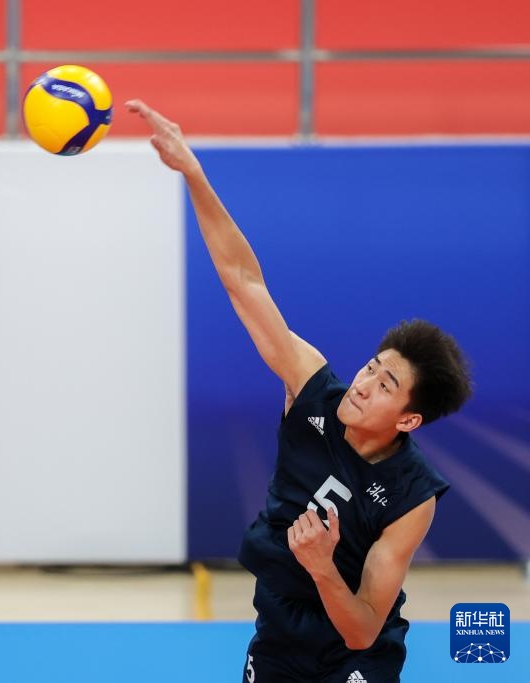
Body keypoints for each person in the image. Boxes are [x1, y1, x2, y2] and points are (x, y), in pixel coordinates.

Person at [128, 99, 472, 682]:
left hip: (357, 654)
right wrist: (193, 172)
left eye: (386, 384)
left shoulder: (414, 497)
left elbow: (363, 628)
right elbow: (243, 281)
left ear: (409, 419)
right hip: (279, 633)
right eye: (371, 367)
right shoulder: (311, 387)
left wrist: (321, 566)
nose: (363, 383)